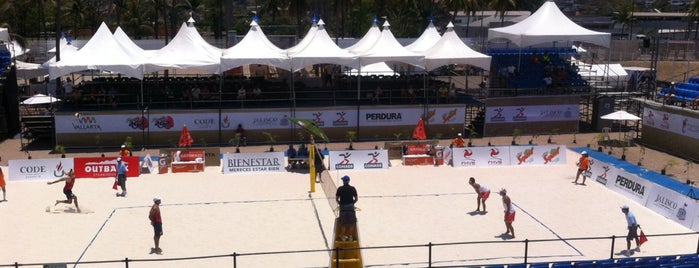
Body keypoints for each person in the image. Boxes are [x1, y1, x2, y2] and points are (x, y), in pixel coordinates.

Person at [335, 175, 358, 241]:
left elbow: (337, 199)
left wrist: (340, 204)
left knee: (343, 223)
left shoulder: (340, 188)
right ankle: (350, 236)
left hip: (343, 207)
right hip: (350, 207)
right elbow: (356, 199)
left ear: (343, 181)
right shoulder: (353, 188)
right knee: (351, 223)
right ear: (348, 181)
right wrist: (352, 203)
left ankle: (343, 237)